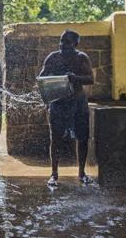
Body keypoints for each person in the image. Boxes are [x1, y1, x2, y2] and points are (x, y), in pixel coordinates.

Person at [39, 30, 94, 186]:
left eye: (67, 42)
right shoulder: (53, 58)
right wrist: (49, 91)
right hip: (58, 103)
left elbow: (91, 79)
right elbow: (42, 78)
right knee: (55, 139)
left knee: (82, 138)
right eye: (61, 41)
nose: (63, 44)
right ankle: (54, 175)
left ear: (75, 44)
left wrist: (75, 78)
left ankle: (82, 173)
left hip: (78, 103)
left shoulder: (81, 58)